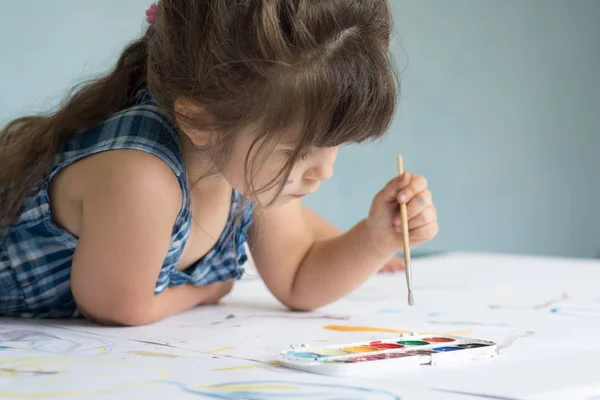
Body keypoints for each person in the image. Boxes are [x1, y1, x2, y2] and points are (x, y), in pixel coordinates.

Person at [0, 1, 438, 325]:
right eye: (295, 151)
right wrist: (204, 290)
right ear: (199, 121)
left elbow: (298, 277)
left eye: (333, 144)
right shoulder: (143, 176)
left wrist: (375, 239)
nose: (324, 172)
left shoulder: (246, 162)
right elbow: (117, 307)